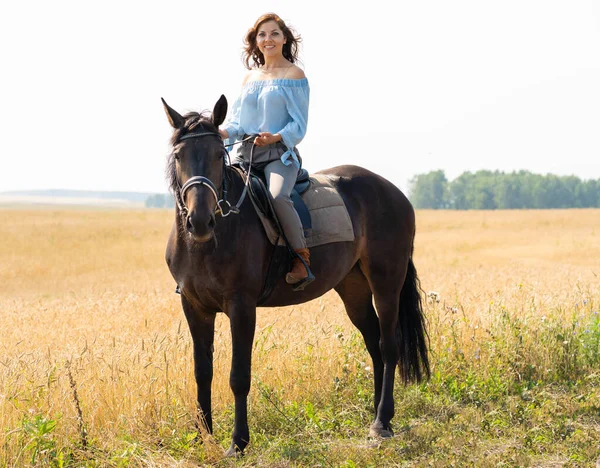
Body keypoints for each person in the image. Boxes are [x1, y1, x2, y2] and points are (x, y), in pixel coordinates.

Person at [219, 13, 313, 287]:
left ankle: (301, 258)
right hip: (244, 155)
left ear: (284, 38)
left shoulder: (294, 75)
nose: (267, 39)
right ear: (255, 41)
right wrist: (224, 131)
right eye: (262, 34)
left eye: (274, 33)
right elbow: (237, 122)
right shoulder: (249, 77)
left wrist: (275, 138)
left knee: (277, 196)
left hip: (278, 155)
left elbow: (299, 124)